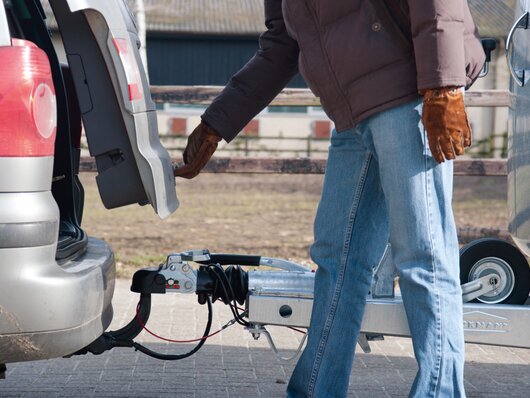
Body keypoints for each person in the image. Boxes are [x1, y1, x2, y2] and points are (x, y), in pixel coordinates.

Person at [176, 1, 485, 396]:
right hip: (351, 114)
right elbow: (282, 45)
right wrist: (216, 123)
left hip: (410, 97)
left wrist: (442, 85)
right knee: (336, 261)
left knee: (422, 256)